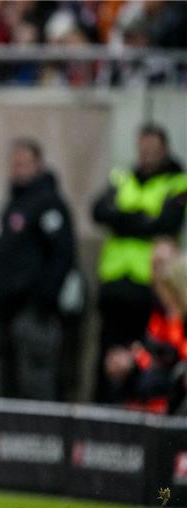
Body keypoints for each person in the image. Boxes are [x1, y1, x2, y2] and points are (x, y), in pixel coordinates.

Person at [92, 124, 187, 403]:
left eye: (152, 150)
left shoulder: (177, 181)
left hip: (149, 288)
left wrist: (122, 218)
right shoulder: (124, 177)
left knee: (148, 358)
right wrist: (143, 218)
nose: (146, 155)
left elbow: (166, 223)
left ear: (164, 149)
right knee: (109, 359)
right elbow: (99, 211)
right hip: (115, 284)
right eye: (142, 149)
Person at [0, 138, 76, 401]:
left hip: (33, 310)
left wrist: (43, 299)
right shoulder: (12, 203)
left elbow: (62, 255)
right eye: (15, 164)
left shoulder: (49, 203)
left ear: (38, 165)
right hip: (5, 309)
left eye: (24, 163)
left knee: (36, 380)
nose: (18, 169)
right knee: (8, 382)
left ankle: (41, 428)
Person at [103, 239, 186, 414]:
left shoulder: (178, 315)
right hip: (152, 391)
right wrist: (132, 359)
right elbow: (149, 352)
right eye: (154, 265)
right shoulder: (151, 306)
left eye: (163, 264)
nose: (158, 272)